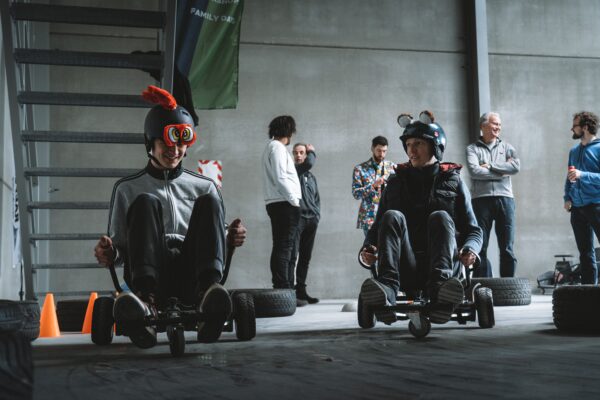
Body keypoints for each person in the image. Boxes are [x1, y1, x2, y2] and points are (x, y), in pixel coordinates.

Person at [94, 85, 247, 348]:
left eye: (181, 143)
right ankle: (145, 305)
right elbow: (120, 251)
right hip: (152, 274)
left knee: (209, 201)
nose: (174, 150)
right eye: (166, 142)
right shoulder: (127, 188)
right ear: (150, 143)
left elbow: (216, 240)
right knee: (145, 202)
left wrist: (231, 237)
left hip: (193, 275)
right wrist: (108, 253)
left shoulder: (204, 186)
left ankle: (208, 298)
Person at [358, 118, 482, 324]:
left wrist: (471, 250)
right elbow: (377, 227)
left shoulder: (453, 181)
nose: (411, 151)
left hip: (444, 267)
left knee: (440, 216)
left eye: (418, 144)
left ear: (435, 147)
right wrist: (368, 248)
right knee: (392, 216)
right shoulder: (395, 182)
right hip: (406, 267)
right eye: (408, 145)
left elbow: (474, 230)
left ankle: (441, 294)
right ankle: (386, 291)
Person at [466, 112, 520, 277]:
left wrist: (489, 166)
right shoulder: (472, 149)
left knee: (507, 247)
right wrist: (502, 171)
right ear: (483, 126)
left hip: (506, 199)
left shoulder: (508, 148)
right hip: (481, 201)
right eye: (495, 124)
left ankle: (508, 285)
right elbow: (474, 171)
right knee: (480, 246)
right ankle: (482, 284)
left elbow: (515, 167)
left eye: (499, 124)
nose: (498, 127)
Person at [262, 115, 302, 290]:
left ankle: (283, 287)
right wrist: (294, 201)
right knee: (284, 247)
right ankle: (283, 287)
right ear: (288, 131)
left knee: (282, 246)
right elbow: (280, 178)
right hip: (284, 203)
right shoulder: (277, 147)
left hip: (278, 202)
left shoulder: (271, 147)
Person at [564, 111, 600, 285]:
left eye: (575, 126)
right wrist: (567, 197)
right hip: (577, 208)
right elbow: (569, 177)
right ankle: (588, 292)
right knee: (585, 253)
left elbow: (579, 175)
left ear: (585, 127)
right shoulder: (574, 151)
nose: (572, 129)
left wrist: (582, 175)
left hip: (596, 205)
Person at [289, 143, 320, 305]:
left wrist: (317, 215)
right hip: (298, 219)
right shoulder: (294, 171)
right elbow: (309, 163)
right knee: (293, 256)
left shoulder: (311, 177)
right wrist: (312, 151)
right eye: (296, 153)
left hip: (312, 220)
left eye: (302, 152)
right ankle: (290, 292)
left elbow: (316, 198)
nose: (298, 155)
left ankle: (301, 290)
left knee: (305, 257)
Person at [352, 136, 396, 236]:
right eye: (379, 150)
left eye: (384, 151)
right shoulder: (360, 169)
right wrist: (373, 185)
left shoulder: (392, 167)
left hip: (388, 216)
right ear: (372, 148)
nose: (382, 154)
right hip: (369, 218)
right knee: (370, 246)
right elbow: (356, 194)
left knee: (387, 245)